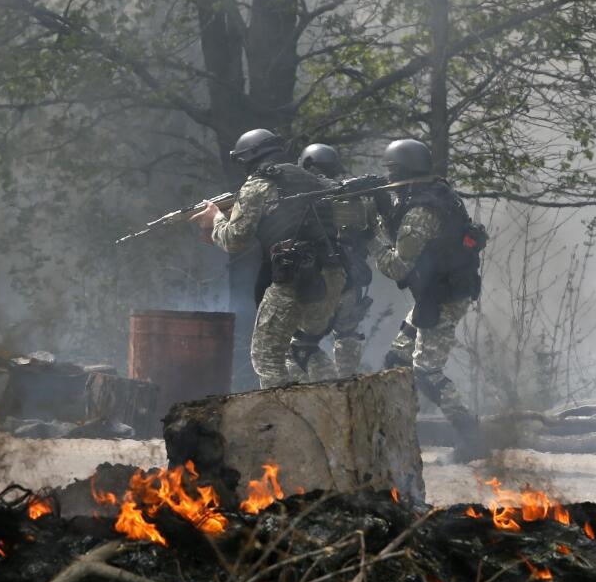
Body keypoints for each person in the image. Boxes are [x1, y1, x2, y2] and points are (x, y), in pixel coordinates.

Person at [189, 129, 346, 388]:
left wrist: (215, 218)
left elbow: (233, 240)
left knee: (266, 358)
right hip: (331, 275)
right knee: (303, 348)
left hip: (296, 279)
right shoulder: (309, 178)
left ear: (248, 158)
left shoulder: (257, 185)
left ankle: (281, 422)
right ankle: (332, 409)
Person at [367, 138, 487, 460]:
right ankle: (391, 433)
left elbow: (397, 265)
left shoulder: (421, 210)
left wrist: (372, 234)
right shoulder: (435, 193)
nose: (389, 180)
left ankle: (472, 439)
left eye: (392, 172)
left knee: (426, 372)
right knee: (396, 361)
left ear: (402, 171)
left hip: (444, 297)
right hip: (437, 292)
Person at [288, 144, 378, 381]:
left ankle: (321, 390)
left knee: (301, 344)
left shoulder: (303, 200)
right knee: (348, 334)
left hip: (319, 280)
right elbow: (370, 233)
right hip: (351, 277)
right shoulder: (352, 197)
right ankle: (348, 385)